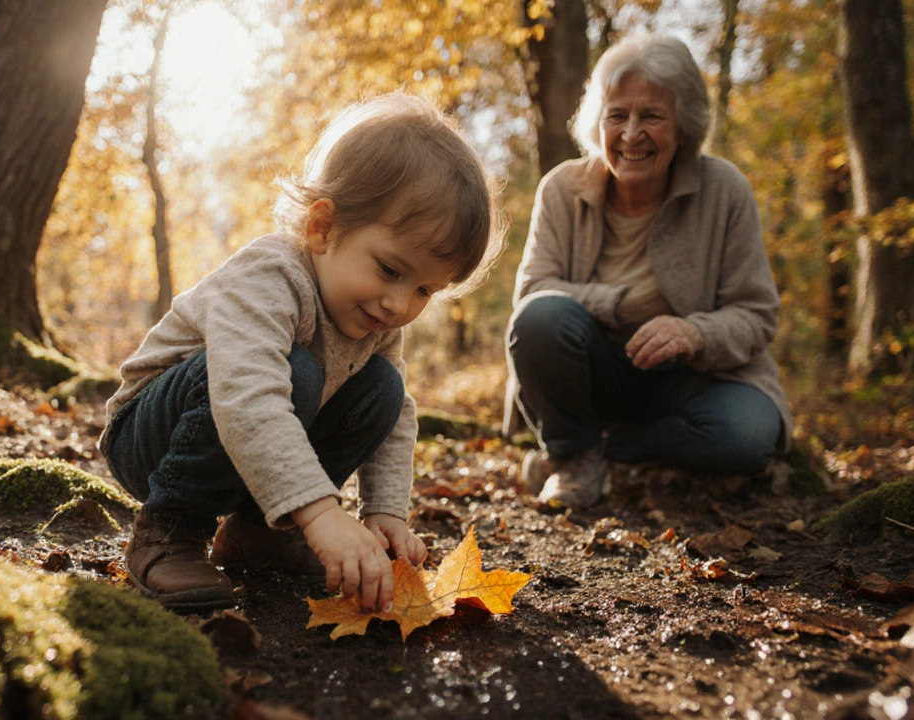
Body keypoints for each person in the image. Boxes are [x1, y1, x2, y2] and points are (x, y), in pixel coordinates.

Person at [100, 93, 503, 614]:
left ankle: (261, 534)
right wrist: (320, 511)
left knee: (384, 389)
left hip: (250, 454)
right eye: (389, 270)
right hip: (151, 439)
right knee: (298, 372)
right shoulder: (269, 276)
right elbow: (246, 394)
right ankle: (168, 530)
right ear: (323, 228)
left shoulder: (376, 317)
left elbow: (395, 419)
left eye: (424, 290)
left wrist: (386, 510)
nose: (400, 304)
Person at [505, 34, 793, 509]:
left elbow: (757, 314)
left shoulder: (725, 191)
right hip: (596, 373)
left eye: (652, 116)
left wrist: (693, 333)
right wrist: (616, 303)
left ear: (684, 128)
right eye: (617, 115)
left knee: (746, 435)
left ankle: (597, 452)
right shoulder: (561, 189)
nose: (631, 134)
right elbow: (534, 292)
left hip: (695, 378)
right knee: (541, 317)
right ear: (598, 123)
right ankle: (574, 459)